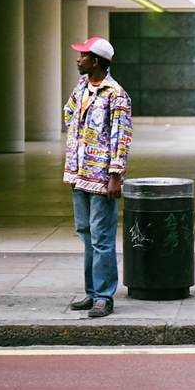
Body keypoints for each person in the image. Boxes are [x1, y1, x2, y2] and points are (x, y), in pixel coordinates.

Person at [63, 36, 133, 318]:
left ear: (95, 61)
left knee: (101, 239)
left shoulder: (116, 94)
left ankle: (104, 296)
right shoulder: (81, 87)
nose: (78, 60)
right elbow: (68, 113)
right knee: (86, 234)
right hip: (79, 174)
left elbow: (122, 137)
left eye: (83, 56)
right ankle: (92, 293)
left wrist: (115, 175)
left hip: (102, 178)